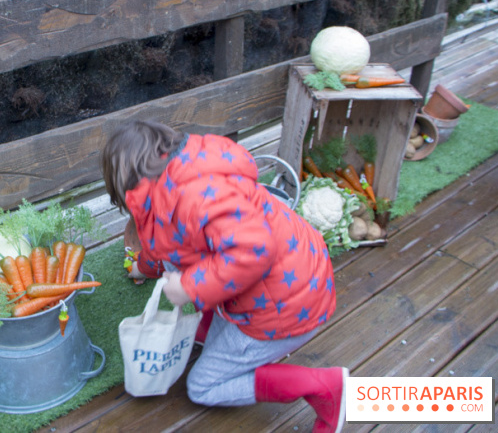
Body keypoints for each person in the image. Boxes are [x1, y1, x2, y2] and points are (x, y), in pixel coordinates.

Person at [101, 119, 348, 433]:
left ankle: (325, 388)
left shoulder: (195, 199)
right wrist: (144, 267)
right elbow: (167, 240)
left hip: (282, 307)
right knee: (191, 278)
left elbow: (252, 250)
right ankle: (220, 336)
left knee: (204, 386)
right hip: (297, 267)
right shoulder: (181, 176)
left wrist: (190, 287)